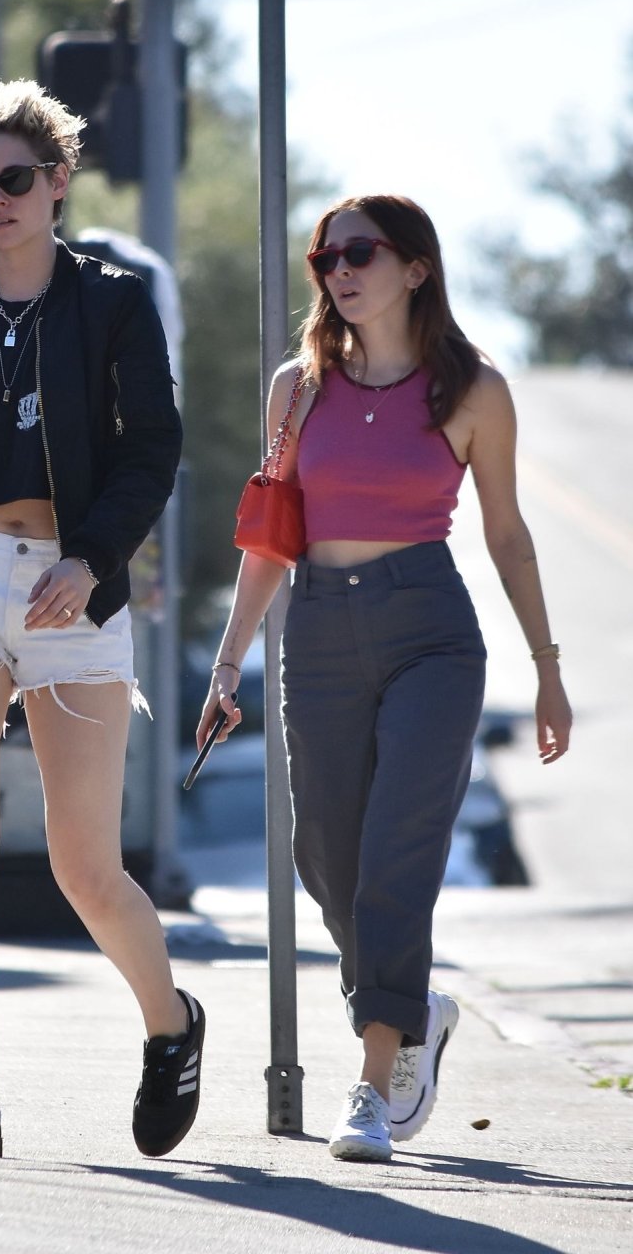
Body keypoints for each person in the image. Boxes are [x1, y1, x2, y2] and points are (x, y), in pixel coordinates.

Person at [198, 194, 572, 1163]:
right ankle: (413, 1010)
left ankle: (370, 1086)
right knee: (326, 857)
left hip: (428, 634)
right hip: (318, 629)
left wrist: (546, 669)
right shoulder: (297, 388)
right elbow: (269, 533)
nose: (338, 271)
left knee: (396, 856)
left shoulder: (472, 389)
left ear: (415, 267)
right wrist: (228, 661)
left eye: (359, 253)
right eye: (324, 257)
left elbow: (506, 535)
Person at [0, 79, 204, 1161]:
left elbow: (151, 450)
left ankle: (170, 1023)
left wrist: (91, 554)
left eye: (13, 178)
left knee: (84, 868)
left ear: (58, 181)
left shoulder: (113, 305)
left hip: (73, 579)